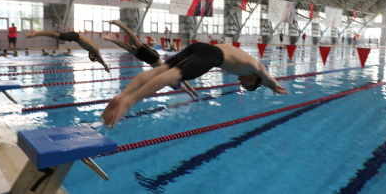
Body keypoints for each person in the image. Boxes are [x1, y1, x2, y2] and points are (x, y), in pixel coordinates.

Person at [102, 42, 288, 128]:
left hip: (199, 46)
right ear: (253, 78)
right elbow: (265, 74)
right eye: (246, 84)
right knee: (172, 76)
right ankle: (128, 102)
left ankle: (123, 95)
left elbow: (261, 80)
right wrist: (273, 85)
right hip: (212, 55)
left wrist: (266, 86)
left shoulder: (245, 67)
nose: (240, 82)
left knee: (159, 70)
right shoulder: (253, 66)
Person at [104, 20, 198, 98]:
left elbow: (185, 89)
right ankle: (120, 24)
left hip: (148, 60)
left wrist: (191, 94)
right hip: (154, 57)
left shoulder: (168, 82)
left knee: (130, 48)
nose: (171, 84)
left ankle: (112, 38)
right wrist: (193, 90)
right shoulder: (176, 75)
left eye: (172, 86)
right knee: (137, 43)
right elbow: (187, 85)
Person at [26, 30, 109, 72]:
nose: (88, 54)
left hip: (74, 37)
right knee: (55, 35)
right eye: (90, 55)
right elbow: (100, 58)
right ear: (94, 54)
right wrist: (105, 65)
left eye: (89, 56)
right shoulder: (95, 49)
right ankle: (36, 33)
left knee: (55, 36)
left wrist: (102, 64)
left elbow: (98, 59)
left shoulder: (92, 50)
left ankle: (36, 33)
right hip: (75, 37)